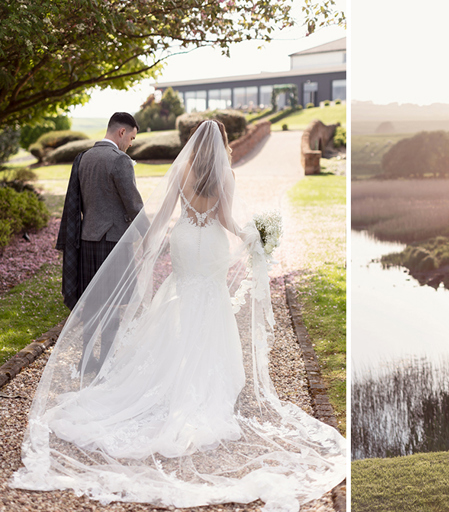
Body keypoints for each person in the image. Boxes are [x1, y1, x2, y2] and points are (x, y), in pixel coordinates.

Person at [12, 120, 346, 511]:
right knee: (212, 299)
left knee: (181, 298)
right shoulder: (226, 174)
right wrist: (250, 235)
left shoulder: (181, 170)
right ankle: (207, 375)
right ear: (222, 145)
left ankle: (168, 371)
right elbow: (224, 218)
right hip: (212, 244)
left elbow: (164, 214)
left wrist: (149, 246)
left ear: (193, 145)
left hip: (185, 240)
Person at [56, 112, 144, 370]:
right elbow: (134, 206)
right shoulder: (120, 161)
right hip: (114, 243)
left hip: (86, 240)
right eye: (132, 137)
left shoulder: (83, 158)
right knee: (113, 304)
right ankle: (105, 361)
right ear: (121, 132)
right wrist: (151, 234)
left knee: (93, 303)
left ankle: (86, 359)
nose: (131, 143)